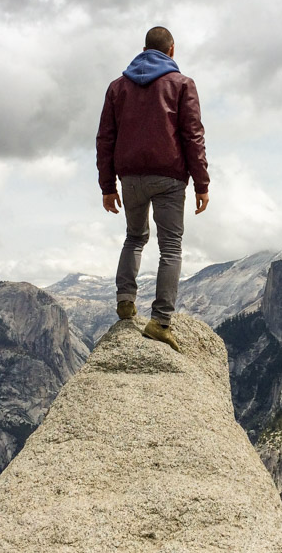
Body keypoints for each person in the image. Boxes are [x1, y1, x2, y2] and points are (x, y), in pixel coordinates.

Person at [95, 26, 209, 353]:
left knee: (134, 237)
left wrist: (107, 185)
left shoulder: (118, 88)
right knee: (170, 247)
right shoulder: (182, 85)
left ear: (143, 49)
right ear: (171, 50)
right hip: (169, 177)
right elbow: (193, 136)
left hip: (129, 178)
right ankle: (159, 322)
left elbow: (105, 138)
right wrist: (202, 183)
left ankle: (126, 301)